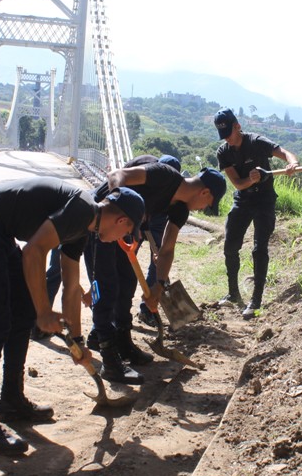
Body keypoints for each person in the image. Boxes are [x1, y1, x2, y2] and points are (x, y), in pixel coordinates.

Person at [0, 178, 144, 455]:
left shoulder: (84, 226)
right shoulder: (82, 210)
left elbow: (71, 284)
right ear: (123, 221)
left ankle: (11, 401)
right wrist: (43, 311)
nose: (119, 240)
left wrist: (77, 341)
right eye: (126, 235)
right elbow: (33, 251)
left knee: (22, 315)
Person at [86, 158, 226, 384]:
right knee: (108, 287)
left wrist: (158, 285)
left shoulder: (180, 209)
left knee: (127, 283)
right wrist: (117, 207)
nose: (204, 208)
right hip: (102, 223)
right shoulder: (164, 175)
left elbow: (167, 248)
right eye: (209, 204)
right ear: (204, 192)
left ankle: (123, 343)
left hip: (123, 231)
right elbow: (117, 176)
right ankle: (110, 362)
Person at [213, 108, 299, 319]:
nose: (228, 141)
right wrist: (250, 180)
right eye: (223, 137)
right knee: (230, 246)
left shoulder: (257, 142)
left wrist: (292, 163)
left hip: (264, 200)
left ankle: (256, 300)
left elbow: (284, 152)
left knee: (260, 248)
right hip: (243, 200)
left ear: (237, 126)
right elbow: (238, 184)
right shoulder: (224, 152)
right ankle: (233, 292)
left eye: (229, 135)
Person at [137, 154, 181, 327]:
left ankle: (147, 311)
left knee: (157, 263)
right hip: (139, 216)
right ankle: (120, 312)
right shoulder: (145, 180)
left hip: (160, 218)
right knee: (126, 261)